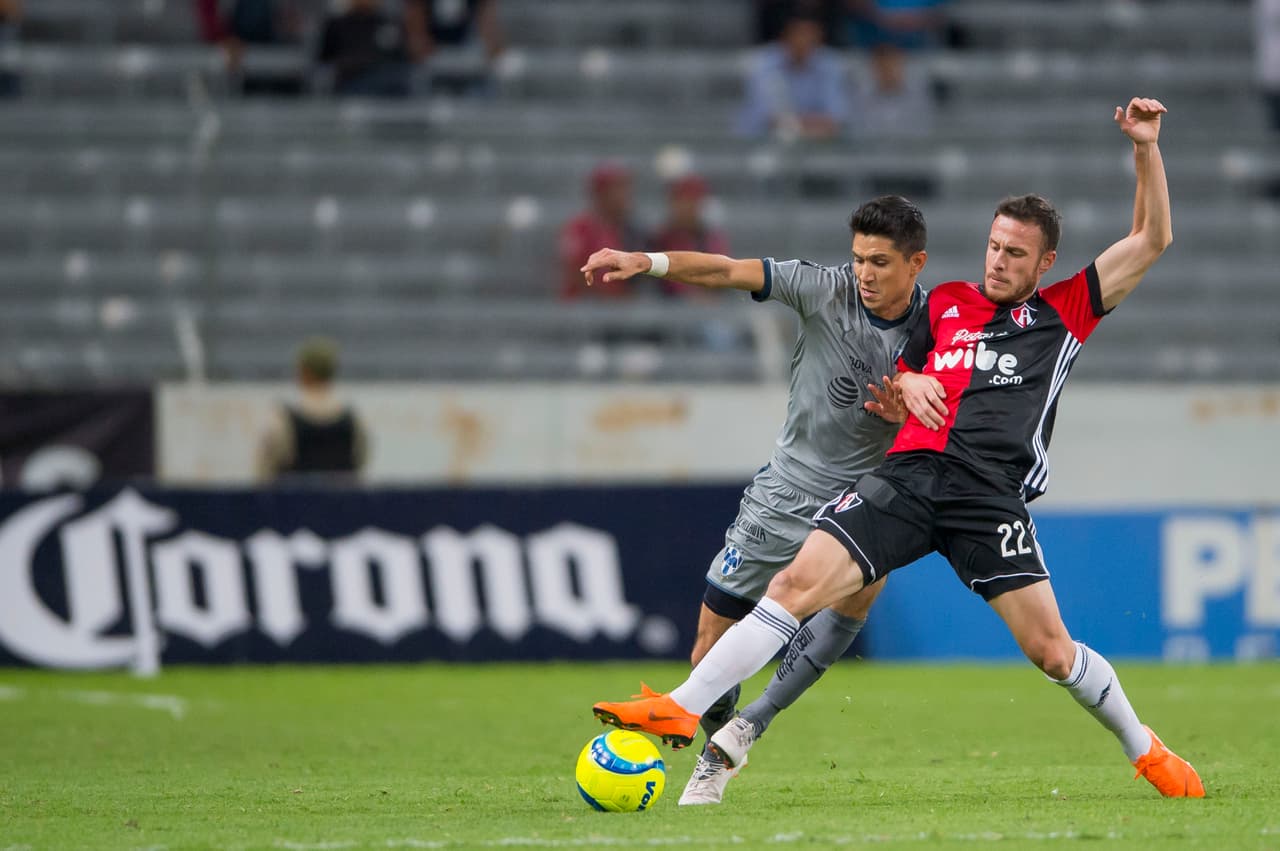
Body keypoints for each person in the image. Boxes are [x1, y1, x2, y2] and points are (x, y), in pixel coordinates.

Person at [593, 98, 1207, 799]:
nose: (999, 261)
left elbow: (1152, 238)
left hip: (987, 495)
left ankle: (1145, 747)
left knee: (1051, 651)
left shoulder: (1066, 310)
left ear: (1046, 261)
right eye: (993, 245)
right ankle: (683, 705)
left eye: (1015, 252)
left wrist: (1145, 149)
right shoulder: (945, 301)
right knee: (795, 586)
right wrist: (910, 387)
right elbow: (908, 364)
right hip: (908, 477)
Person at [580, 195, 929, 805]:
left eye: (879, 262)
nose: (864, 275)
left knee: (854, 606)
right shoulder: (822, 289)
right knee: (708, 643)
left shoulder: (940, 323)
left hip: (869, 496)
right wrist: (647, 260)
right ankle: (716, 727)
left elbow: (952, 414)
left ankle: (737, 738)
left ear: (915, 263)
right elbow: (726, 270)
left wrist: (911, 422)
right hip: (788, 489)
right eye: (857, 260)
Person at [257, 337, 369, 483]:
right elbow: (360, 461)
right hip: (341, 503)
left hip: (293, 503)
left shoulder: (283, 418)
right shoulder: (352, 419)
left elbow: (265, 469)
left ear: (303, 371)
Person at [736, 6, 849, 140]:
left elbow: (836, 116)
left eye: (810, 35)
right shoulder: (762, 64)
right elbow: (770, 118)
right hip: (760, 142)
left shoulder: (830, 65)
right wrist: (808, 125)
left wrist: (798, 127)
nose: (804, 40)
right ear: (785, 36)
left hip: (816, 141)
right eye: (799, 34)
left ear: (820, 37)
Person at [558, 162, 646, 300]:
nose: (625, 195)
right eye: (617, 188)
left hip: (619, 310)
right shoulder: (580, 229)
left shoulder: (632, 231)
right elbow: (577, 274)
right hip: (582, 309)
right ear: (601, 193)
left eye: (626, 188)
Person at [646, 175, 732, 299]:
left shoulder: (711, 239)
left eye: (693, 200)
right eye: (682, 200)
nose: (687, 207)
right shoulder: (659, 239)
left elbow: (722, 277)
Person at [315, 0, 415, 97]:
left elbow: (401, 58)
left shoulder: (388, 22)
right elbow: (324, 61)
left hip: (387, 83)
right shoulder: (337, 24)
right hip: (352, 82)